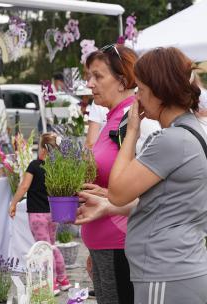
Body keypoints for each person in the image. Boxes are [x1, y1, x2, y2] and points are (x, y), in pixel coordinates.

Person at [77, 47, 207, 304]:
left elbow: (117, 191)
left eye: (143, 89)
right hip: (173, 268)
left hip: (164, 271)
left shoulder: (171, 139)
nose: (139, 97)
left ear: (159, 91)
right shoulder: (191, 131)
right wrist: (109, 207)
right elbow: (164, 201)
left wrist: (133, 130)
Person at [80, 44, 138, 304]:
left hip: (119, 242)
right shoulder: (112, 119)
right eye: (89, 76)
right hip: (102, 243)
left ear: (122, 80)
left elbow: (147, 185)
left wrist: (110, 195)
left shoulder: (131, 119)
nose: (90, 84)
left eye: (98, 76)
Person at [9, 133, 71, 295]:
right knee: (52, 245)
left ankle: (52, 283)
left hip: (37, 216)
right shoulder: (57, 168)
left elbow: (24, 187)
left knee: (44, 249)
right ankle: (63, 279)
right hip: (53, 214)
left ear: (43, 149)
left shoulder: (34, 166)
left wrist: (13, 203)